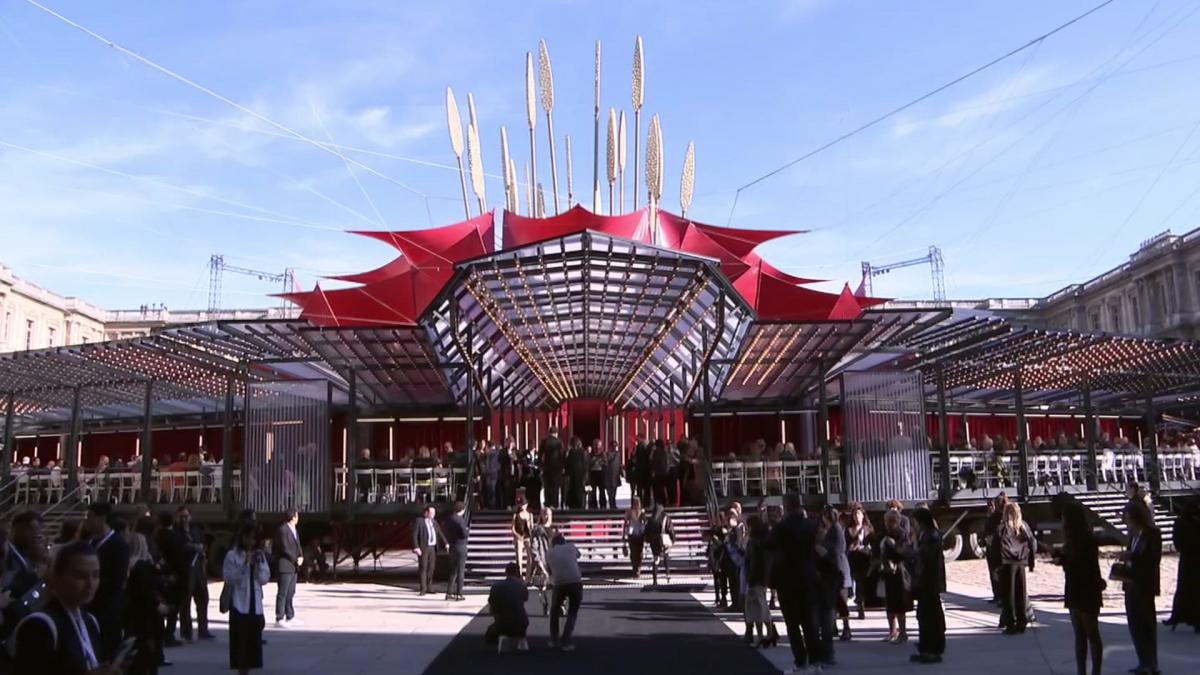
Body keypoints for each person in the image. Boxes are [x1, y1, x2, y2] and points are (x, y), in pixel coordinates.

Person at [10, 541, 124, 675]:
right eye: (81, 576)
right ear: (57, 577)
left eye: (95, 575)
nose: (90, 584)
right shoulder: (39, 626)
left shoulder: (90, 622)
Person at [768, 493, 821, 674]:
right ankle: (815, 661)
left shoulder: (782, 527)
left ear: (786, 506)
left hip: (787, 580)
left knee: (793, 625)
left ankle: (801, 662)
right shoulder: (811, 525)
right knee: (810, 624)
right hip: (808, 578)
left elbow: (769, 545)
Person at [1057, 502, 1103, 675]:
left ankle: (1094, 671)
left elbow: (1084, 566)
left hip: (1086, 588)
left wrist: (1064, 560)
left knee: (1090, 633)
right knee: (1081, 635)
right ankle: (1082, 671)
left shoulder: (1086, 540)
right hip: (1076, 588)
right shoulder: (1072, 541)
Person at [1118, 501, 1161, 675]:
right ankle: (1143, 661)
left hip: (1144, 584)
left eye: (1127, 517)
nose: (1125, 520)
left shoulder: (1152, 533)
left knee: (1146, 625)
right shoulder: (1132, 533)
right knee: (1135, 625)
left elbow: (1152, 560)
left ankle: (1151, 663)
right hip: (1130, 583)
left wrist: (1132, 557)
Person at [84, 502, 129, 661]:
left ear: (102, 518)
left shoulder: (118, 544)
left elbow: (117, 579)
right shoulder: (90, 543)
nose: (86, 521)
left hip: (108, 612)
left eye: (90, 517)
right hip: (90, 611)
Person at [223, 525, 270, 675]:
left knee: (252, 651)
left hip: (254, 607)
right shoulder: (232, 556)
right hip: (239, 606)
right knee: (240, 651)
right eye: (247, 537)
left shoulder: (259, 556)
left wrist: (257, 566)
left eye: (253, 538)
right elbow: (229, 578)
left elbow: (264, 579)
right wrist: (245, 564)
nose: (250, 541)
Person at [125, 531, 167, 675]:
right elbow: (146, 590)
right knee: (148, 655)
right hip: (146, 616)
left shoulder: (126, 565)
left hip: (131, 615)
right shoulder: (142, 566)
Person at [910, 507, 946, 664]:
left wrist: (910, 551)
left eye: (915, 523)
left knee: (930, 617)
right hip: (926, 582)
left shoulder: (931, 536)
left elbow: (926, 558)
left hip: (929, 582)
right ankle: (925, 648)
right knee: (923, 616)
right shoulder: (926, 535)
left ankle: (932, 649)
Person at [817, 505, 851, 658]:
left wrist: (821, 550)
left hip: (837, 569)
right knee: (835, 600)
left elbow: (834, 550)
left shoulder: (835, 530)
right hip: (833, 568)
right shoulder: (832, 529)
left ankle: (846, 627)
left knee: (839, 600)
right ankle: (836, 627)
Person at [997, 502, 1035, 635]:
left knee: (1008, 595)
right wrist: (1030, 562)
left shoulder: (1002, 528)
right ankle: (1021, 621)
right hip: (1020, 563)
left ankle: (1010, 623)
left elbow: (996, 546)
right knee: (1020, 593)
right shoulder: (1023, 527)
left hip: (1006, 563)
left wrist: (996, 565)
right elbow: (1032, 543)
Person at [879, 510, 913, 644]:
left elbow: (905, 552)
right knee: (890, 602)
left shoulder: (902, 534)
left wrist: (893, 546)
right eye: (887, 521)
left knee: (899, 603)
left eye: (890, 521)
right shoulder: (885, 533)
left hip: (899, 571)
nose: (888, 524)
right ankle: (892, 631)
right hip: (887, 570)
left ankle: (903, 632)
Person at [1164, 501, 1199, 631]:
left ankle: (1178, 615)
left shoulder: (1180, 522)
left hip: (1186, 559)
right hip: (1196, 558)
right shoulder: (1195, 522)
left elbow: (1177, 541)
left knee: (1184, 588)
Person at [743, 515, 777, 648]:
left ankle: (761, 635)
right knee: (762, 606)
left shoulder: (755, 542)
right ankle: (769, 633)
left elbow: (753, 562)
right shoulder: (763, 540)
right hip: (762, 578)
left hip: (755, 578)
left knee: (756, 608)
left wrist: (751, 579)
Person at [546, 533, 583, 651]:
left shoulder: (549, 553)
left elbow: (549, 569)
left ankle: (554, 639)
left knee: (554, 610)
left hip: (559, 583)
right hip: (575, 581)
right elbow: (579, 555)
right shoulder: (571, 546)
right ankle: (566, 641)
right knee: (572, 611)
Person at [486, 563, 529, 653]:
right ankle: (521, 639)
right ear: (518, 573)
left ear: (505, 572)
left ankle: (502, 637)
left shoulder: (496, 586)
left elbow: (491, 605)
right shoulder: (521, 586)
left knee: (489, 634)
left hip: (502, 624)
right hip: (521, 623)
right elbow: (525, 599)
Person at [272, 509, 302, 626]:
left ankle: (290, 615)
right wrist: (296, 558)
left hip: (294, 566)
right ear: (293, 517)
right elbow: (285, 547)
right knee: (282, 592)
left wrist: (301, 556)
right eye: (297, 515)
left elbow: (297, 545)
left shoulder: (294, 529)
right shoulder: (282, 530)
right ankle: (279, 617)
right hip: (285, 565)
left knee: (291, 592)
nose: (298, 518)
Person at [845, 502, 873, 626]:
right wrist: (850, 547)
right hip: (852, 559)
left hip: (864, 558)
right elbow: (845, 545)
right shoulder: (848, 530)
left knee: (861, 583)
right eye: (855, 515)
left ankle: (861, 606)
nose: (857, 517)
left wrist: (866, 548)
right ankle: (856, 602)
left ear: (863, 515)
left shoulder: (868, 529)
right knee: (854, 582)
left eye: (859, 514)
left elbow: (873, 543)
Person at [412, 505, 443, 596]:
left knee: (431, 568)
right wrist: (416, 547)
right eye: (431, 513)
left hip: (432, 548)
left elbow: (439, 532)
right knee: (423, 568)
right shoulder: (419, 521)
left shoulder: (434, 522)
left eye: (434, 513)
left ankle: (430, 586)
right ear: (426, 513)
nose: (433, 514)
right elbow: (414, 535)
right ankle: (423, 588)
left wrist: (446, 543)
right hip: (423, 547)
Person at [443, 501, 469, 601]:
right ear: (462, 510)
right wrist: (467, 530)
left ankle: (449, 592)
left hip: (452, 546)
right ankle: (459, 593)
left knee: (453, 571)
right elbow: (464, 533)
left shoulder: (449, 518)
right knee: (461, 570)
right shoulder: (460, 520)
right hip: (461, 546)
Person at [645, 503, 675, 587]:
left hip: (654, 542)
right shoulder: (665, 518)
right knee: (666, 556)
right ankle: (667, 574)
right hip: (663, 541)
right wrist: (673, 539)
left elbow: (646, 531)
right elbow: (670, 529)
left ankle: (655, 580)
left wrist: (648, 540)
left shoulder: (651, 519)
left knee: (656, 559)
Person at [540, 429, 564, 509]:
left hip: (547, 468)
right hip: (556, 468)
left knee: (547, 486)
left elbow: (540, 454)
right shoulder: (559, 442)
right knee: (555, 487)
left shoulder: (544, 441)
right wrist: (562, 467)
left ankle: (547, 503)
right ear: (556, 433)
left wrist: (541, 465)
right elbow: (561, 456)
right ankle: (554, 504)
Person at [623, 497, 646, 578]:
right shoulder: (640, 511)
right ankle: (637, 569)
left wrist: (624, 534)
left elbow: (625, 523)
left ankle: (636, 569)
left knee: (634, 553)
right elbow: (644, 523)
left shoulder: (631, 511)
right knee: (637, 553)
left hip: (633, 534)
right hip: (639, 534)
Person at [510, 501, 533, 580]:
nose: (522, 506)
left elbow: (531, 527)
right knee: (519, 557)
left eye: (524, 504)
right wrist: (517, 535)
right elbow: (513, 528)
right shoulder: (516, 515)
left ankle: (528, 576)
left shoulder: (530, 515)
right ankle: (519, 575)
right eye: (521, 504)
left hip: (527, 537)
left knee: (530, 556)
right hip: (519, 536)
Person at [564, 437, 588, 510]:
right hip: (572, 476)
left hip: (579, 475)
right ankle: (573, 505)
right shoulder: (570, 452)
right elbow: (567, 463)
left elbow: (585, 464)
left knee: (579, 491)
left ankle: (579, 505)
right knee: (573, 491)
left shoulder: (582, 452)